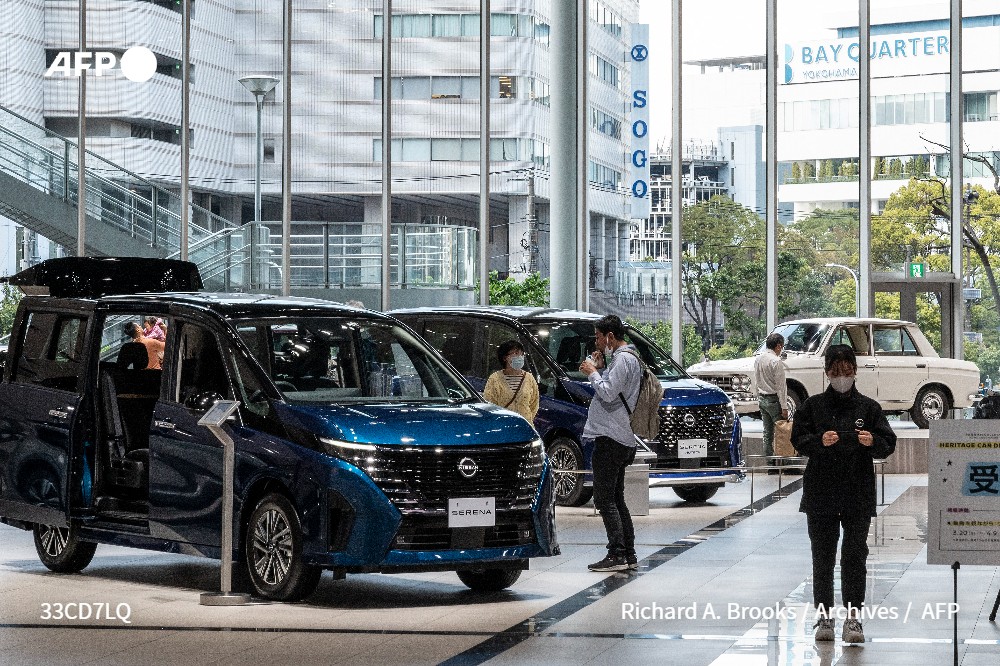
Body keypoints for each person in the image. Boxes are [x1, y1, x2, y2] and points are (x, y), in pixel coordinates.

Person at [791, 344, 896, 644]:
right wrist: (817, 441)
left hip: (857, 494)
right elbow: (798, 439)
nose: (841, 377)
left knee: (854, 556)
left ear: (855, 371)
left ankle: (854, 619)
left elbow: (889, 442)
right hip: (821, 494)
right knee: (822, 557)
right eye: (836, 372)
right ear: (826, 373)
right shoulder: (812, 407)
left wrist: (872, 440)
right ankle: (824, 616)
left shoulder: (869, 408)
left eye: (846, 371)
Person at [579, 314, 641, 573]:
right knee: (616, 498)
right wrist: (602, 370)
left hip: (612, 437)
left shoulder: (624, 359)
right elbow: (615, 389)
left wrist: (593, 372)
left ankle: (617, 554)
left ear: (610, 337)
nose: (597, 341)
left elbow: (606, 392)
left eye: (598, 336)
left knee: (604, 499)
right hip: (620, 436)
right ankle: (627, 553)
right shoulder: (629, 358)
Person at [483, 340, 539, 424]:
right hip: (504, 426)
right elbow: (490, 404)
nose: (520, 356)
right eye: (516, 353)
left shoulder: (529, 378)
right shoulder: (495, 379)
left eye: (522, 354)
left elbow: (534, 403)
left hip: (525, 425)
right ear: (505, 357)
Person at [755, 332, 788, 469]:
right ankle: (785, 463)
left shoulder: (759, 359)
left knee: (767, 433)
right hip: (774, 400)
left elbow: (756, 381)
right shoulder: (776, 361)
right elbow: (781, 387)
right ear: (779, 346)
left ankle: (770, 464)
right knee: (782, 432)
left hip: (762, 399)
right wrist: (784, 407)